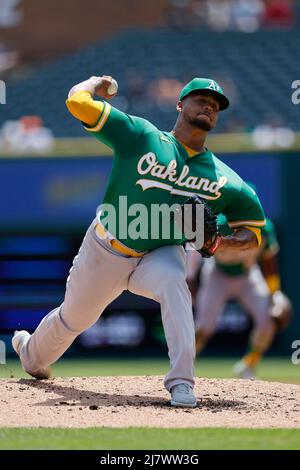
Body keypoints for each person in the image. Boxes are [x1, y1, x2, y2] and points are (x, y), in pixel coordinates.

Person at [12, 75, 265, 408]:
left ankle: (182, 383)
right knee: (74, 320)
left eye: (216, 105)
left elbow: (254, 233)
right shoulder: (143, 136)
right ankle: (30, 352)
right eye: (201, 99)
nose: (209, 106)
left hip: (160, 252)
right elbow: (77, 102)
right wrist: (93, 83)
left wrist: (219, 245)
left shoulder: (225, 180)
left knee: (175, 284)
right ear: (179, 104)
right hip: (107, 247)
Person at [187, 215, 292, 378]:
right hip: (217, 273)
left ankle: (248, 365)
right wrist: (191, 275)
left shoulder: (264, 228)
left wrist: (275, 292)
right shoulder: (218, 224)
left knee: (268, 321)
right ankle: (185, 366)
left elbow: (269, 260)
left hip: (248, 275)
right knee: (203, 328)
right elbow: (196, 245)